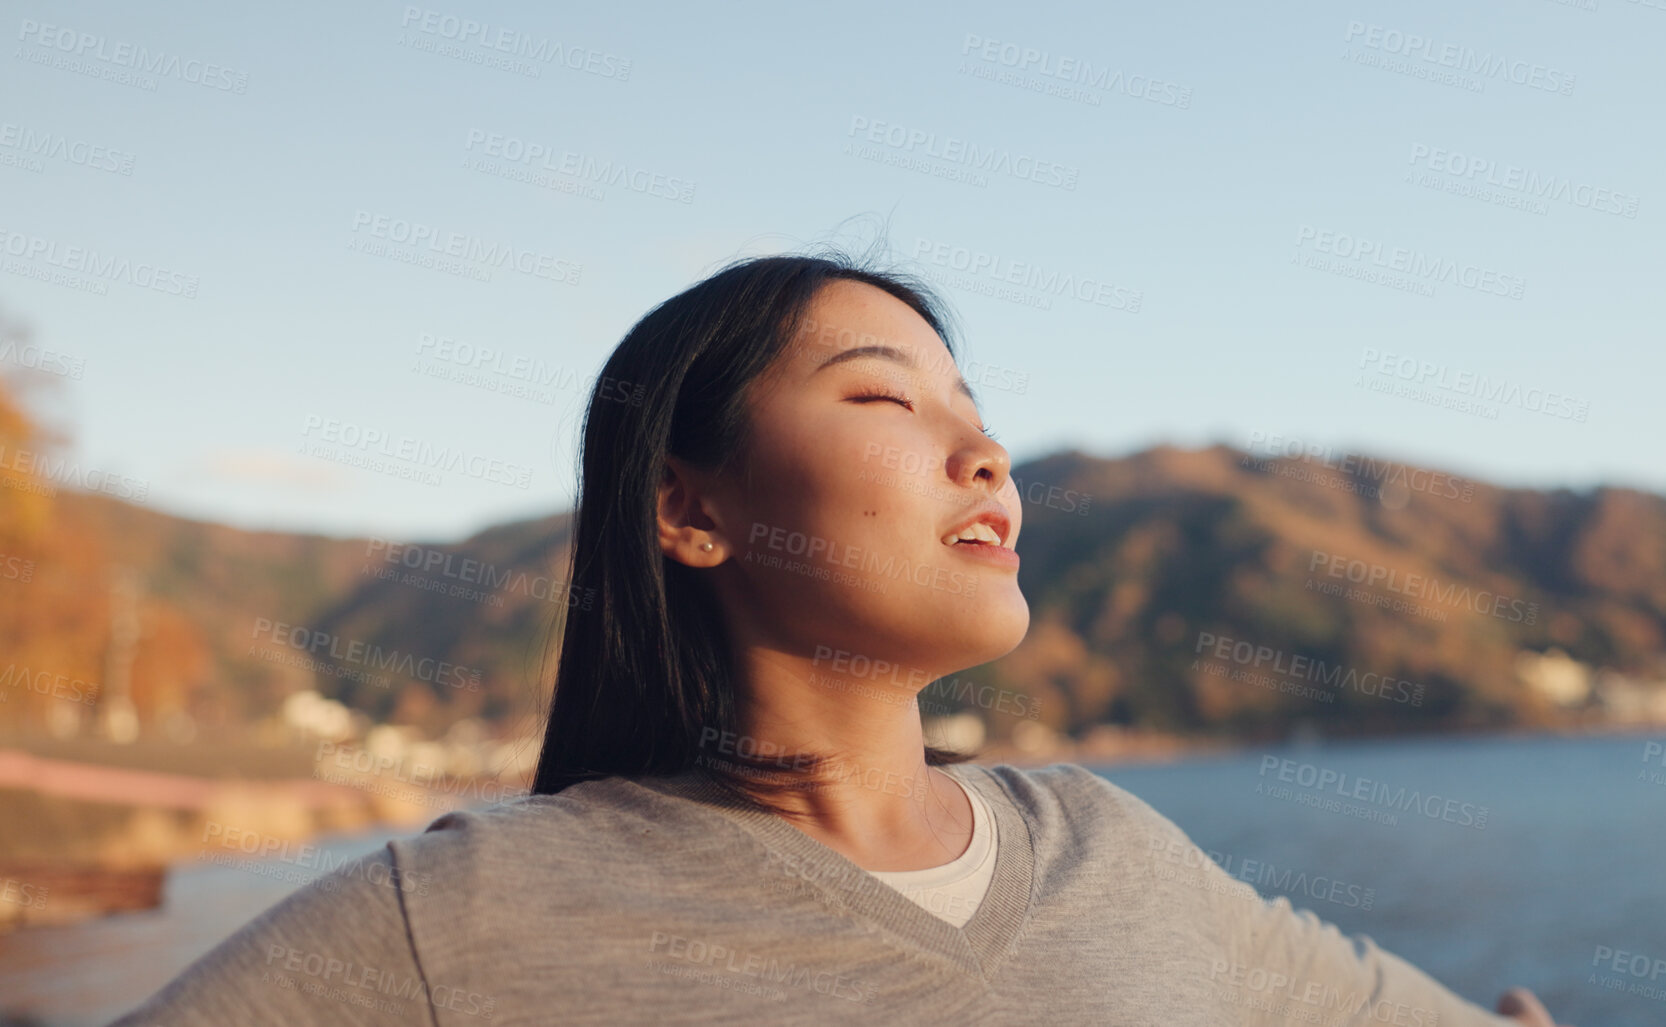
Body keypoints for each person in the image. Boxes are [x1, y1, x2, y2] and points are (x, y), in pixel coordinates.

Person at [112, 250, 1572, 1026]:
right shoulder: (476, 918)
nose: (983, 447)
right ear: (689, 511)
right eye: (887, 400)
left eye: (973, 407)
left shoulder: (1114, 857)